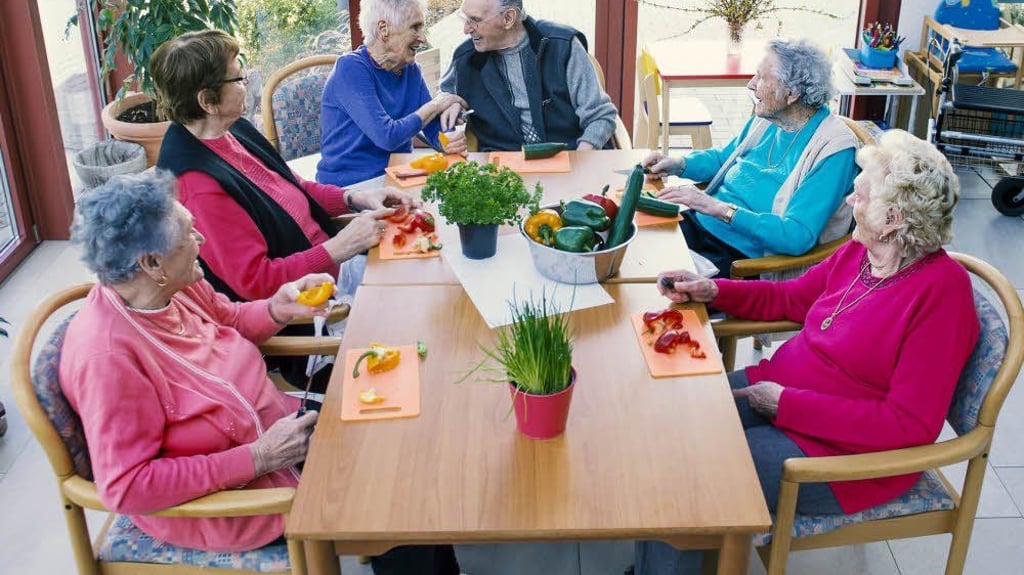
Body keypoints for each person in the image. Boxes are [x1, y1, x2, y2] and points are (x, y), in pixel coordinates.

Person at [61, 171, 461, 575]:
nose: (201, 239)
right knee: (399, 499)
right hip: (233, 498)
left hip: (282, 429)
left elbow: (229, 319)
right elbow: (127, 486)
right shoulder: (107, 359)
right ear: (151, 263)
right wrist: (258, 457)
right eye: (187, 234)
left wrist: (277, 308)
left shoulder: (174, 286)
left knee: (411, 443)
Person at [634, 130, 979, 574]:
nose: (850, 202)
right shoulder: (861, 252)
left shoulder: (942, 296)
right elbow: (792, 298)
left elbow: (907, 425)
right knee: (667, 422)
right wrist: (713, 290)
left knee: (695, 468)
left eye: (860, 195)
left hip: (847, 454)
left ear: (892, 217)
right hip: (778, 393)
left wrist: (786, 405)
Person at [152, 30, 417, 387]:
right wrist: (341, 246)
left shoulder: (231, 130)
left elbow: (294, 188)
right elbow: (257, 283)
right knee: (423, 324)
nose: (248, 84)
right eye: (238, 78)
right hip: (315, 313)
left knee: (425, 277)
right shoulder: (198, 186)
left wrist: (354, 198)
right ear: (208, 100)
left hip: (337, 270)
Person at [643, 38, 859, 278]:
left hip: (738, 258)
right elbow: (724, 159)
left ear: (792, 93)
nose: (751, 84)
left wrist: (719, 209)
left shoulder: (834, 150)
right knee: (634, 246)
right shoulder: (771, 118)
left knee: (647, 282)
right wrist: (678, 165)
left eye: (762, 78)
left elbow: (797, 236)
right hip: (700, 224)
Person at [317, 0, 469, 187]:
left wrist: (449, 140)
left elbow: (432, 128)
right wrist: (437, 104)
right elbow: (387, 137)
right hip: (351, 186)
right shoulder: (351, 68)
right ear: (384, 29)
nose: (423, 38)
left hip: (399, 176)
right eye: (415, 27)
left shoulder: (411, 70)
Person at [438, 0, 618, 151]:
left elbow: (600, 116)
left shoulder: (562, 46)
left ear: (508, 18)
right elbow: (443, 96)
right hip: (503, 170)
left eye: (475, 20)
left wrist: (579, 164)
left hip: (571, 157)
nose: (466, 29)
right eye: (465, 19)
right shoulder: (464, 59)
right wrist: (452, 102)